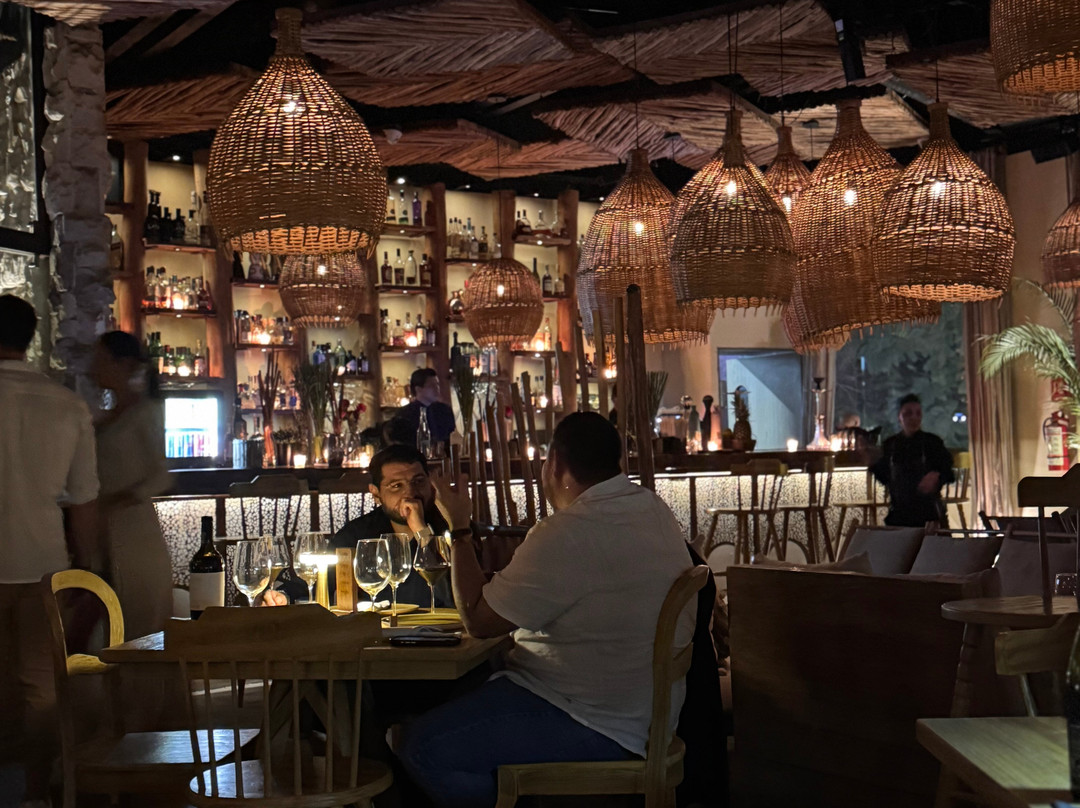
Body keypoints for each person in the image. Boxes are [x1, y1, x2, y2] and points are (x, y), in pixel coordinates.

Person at [398, 412, 695, 808]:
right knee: (454, 700)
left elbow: (479, 621)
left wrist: (460, 528)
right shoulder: (651, 508)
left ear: (554, 463)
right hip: (641, 712)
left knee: (422, 747)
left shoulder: (569, 531)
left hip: (592, 720)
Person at [0, 295, 99, 807]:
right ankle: (37, 793)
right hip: (45, 564)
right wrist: (88, 568)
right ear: (32, 338)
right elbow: (83, 500)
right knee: (41, 688)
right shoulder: (66, 404)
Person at [92, 331, 174, 639]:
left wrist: (119, 499)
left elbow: (161, 475)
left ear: (123, 364)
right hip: (103, 531)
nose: (93, 367)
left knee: (139, 626)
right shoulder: (104, 416)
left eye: (101, 359)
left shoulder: (145, 412)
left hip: (135, 531)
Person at [330, 444, 452, 609]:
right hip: (378, 624)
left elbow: (454, 597)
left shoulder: (451, 527)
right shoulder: (356, 535)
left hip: (441, 624)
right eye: (396, 486)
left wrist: (421, 531)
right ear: (376, 493)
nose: (410, 493)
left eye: (418, 481)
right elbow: (319, 589)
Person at [871, 393, 956, 527]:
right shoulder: (891, 444)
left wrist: (936, 476)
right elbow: (883, 476)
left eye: (918, 413)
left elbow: (948, 473)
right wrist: (870, 461)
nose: (914, 418)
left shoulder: (932, 442)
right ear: (899, 417)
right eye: (908, 413)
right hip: (899, 513)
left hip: (927, 514)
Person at [396, 368, 456, 448]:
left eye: (437, 384)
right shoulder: (405, 414)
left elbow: (451, 436)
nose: (437, 388)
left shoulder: (444, 410)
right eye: (431, 386)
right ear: (418, 389)